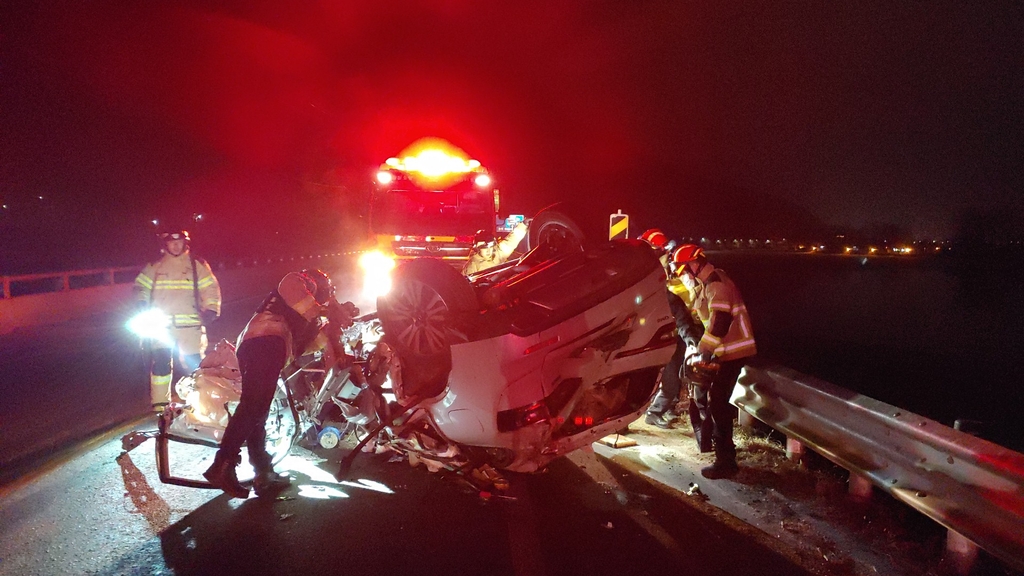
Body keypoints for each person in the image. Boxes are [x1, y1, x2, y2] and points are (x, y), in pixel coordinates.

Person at [203, 269, 358, 498]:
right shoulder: (294, 281)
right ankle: (222, 465)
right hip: (262, 344)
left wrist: (334, 326)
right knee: (253, 406)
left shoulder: (311, 317)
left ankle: (263, 472)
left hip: (269, 349)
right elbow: (310, 308)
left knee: (258, 412)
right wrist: (334, 310)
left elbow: (316, 345)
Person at [671, 244, 757, 479]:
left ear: (694, 264)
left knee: (718, 403)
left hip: (734, 351)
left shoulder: (716, 284)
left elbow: (720, 321)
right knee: (716, 402)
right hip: (726, 352)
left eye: (684, 270)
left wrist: (704, 350)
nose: (684, 276)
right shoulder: (708, 284)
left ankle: (726, 462)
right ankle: (721, 454)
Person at [134, 229, 221, 413]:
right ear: (165, 245)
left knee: (194, 365)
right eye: (171, 242)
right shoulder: (155, 266)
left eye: (179, 242)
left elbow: (210, 288)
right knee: (161, 364)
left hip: (190, 326)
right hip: (162, 326)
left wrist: (212, 309)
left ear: (185, 243)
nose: (175, 245)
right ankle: (160, 405)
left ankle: (201, 402)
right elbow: (141, 286)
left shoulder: (196, 265)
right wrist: (142, 302)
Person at [641, 231, 702, 431]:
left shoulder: (669, 272)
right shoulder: (658, 278)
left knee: (674, 370)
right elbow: (676, 306)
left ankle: (665, 407)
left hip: (680, 327)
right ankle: (654, 412)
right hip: (671, 328)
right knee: (670, 374)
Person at [462, 221, 528, 275]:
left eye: (490, 247)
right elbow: (466, 284)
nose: (488, 251)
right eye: (484, 248)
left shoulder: (498, 253)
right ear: (477, 249)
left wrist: (523, 225)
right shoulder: (472, 265)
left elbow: (511, 241)